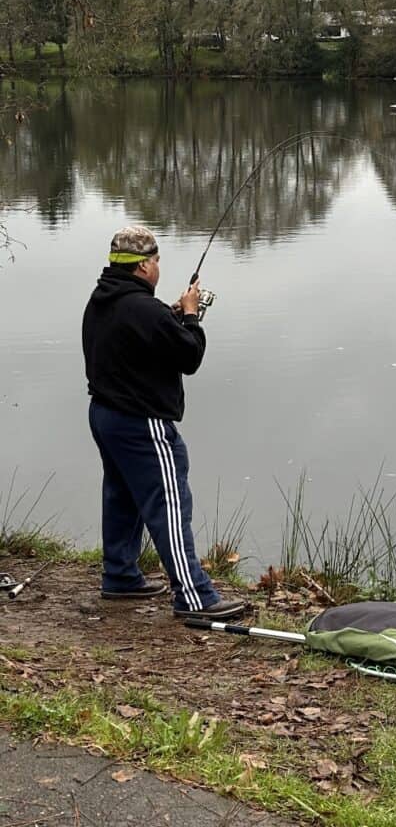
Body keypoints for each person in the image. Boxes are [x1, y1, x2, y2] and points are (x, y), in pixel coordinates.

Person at [82, 225, 243, 621]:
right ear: (141, 267)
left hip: (105, 415)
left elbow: (139, 337)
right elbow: (189, 357)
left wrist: (170, 317)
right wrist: (190, 315)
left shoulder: (103, 300)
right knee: (169, 503)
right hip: (142, 423)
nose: (157, 267)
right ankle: (194, 597)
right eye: (155, 261)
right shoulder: (144, 309)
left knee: (122, 496)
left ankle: (120, 576)